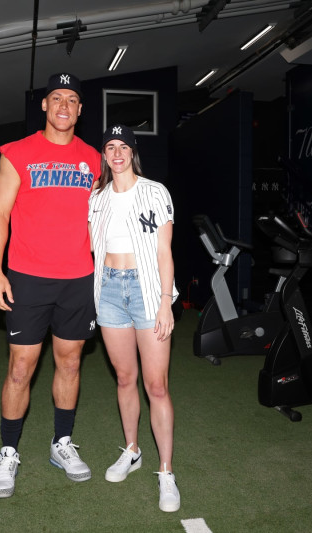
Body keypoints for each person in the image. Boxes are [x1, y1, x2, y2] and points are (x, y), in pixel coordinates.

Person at [0, 72, 101, 499]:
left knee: (70, 364)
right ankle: (8, 452)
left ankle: (61, 444)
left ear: (80, 109)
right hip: (29, 279)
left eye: (72, 99)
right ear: (44, 106)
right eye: (57, 98)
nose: (64, 106)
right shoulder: (17, 153)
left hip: (78, 279)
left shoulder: (94, 159)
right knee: (21, 368)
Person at [88, 124, 180, 512]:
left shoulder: (155, 191)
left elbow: (164, 252)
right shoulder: (96, 197)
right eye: (111, 146)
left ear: (133, 152)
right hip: (108, 290)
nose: (117, 152)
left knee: (156, 385)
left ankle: (166, 471)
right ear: (105, 155)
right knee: (125, 378)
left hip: (147, 292)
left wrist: (164, 301)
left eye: (124, 146)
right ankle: (132, 450)